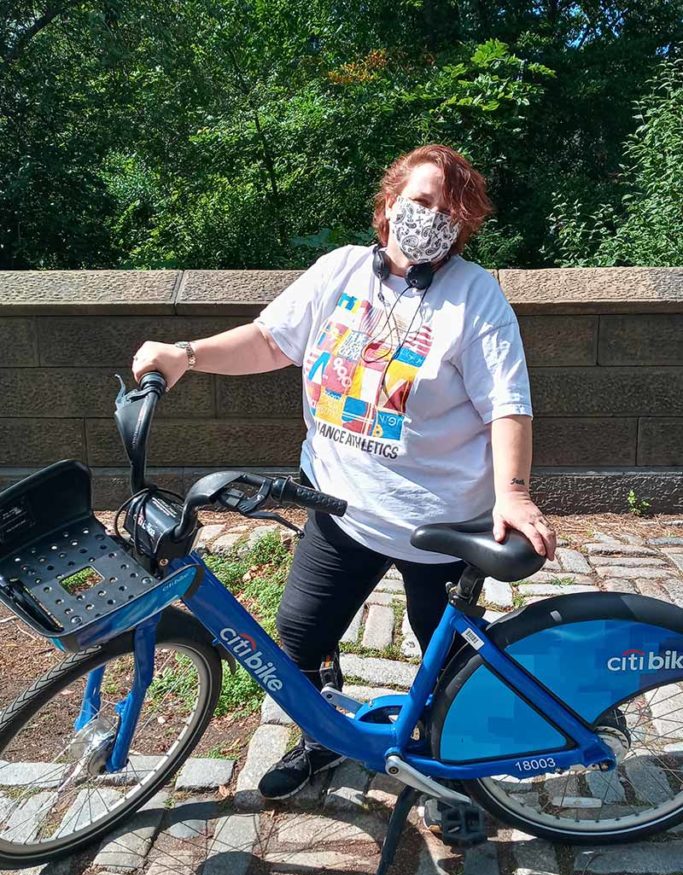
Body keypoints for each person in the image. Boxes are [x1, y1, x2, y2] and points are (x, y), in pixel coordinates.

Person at [133, 143, 557, 801]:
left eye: (448, 211)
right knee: (299, 638)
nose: (431, 219)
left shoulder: (475, 298)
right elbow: (272, 341)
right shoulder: (338, 272)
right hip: (339, 510)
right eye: (420, 202)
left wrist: (513, 494)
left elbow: (507, 405)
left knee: (443, 660)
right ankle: (324, 740)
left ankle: (455, 772)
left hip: (438, 523)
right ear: (389, 203)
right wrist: (186, 354)